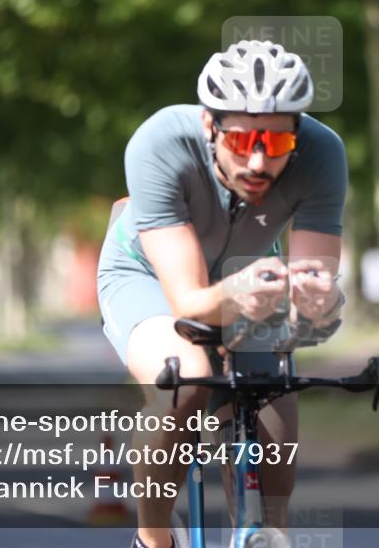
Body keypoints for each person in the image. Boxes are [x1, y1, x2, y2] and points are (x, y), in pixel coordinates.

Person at [97, 39, 348, 548]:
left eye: (276, 144)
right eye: (242, 140)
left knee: (276, 421)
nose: (258, 161)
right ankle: (152, 538)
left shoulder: (323, 154)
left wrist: (317, 301)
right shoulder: (160, 142)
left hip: (249, 274)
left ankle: (263, 535)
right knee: (186, 382)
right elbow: (189, 300)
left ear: (297, 135)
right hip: (145, 274)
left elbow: (316, 279)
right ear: (211, 125)